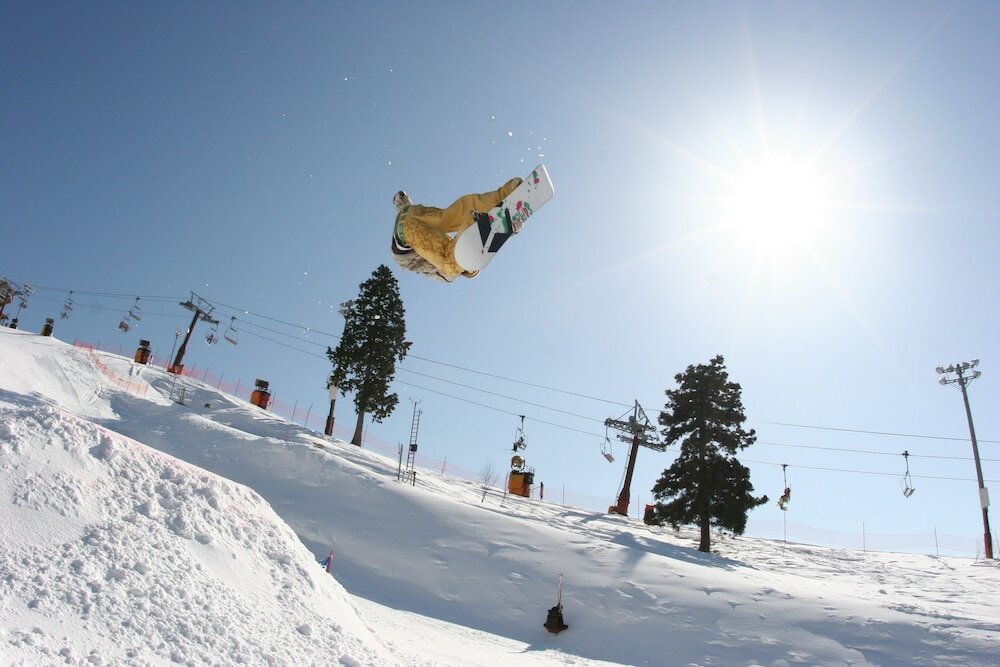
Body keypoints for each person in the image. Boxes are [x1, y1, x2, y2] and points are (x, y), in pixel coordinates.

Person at [390, 177, 522, 282]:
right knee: (450, 216)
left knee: (449, 267)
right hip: (409, 211)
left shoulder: (427, 266)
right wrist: (402, 201)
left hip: (406, 234)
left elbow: (452, 264)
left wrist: (467, 266)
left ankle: (477, 223)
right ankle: (504, 193)